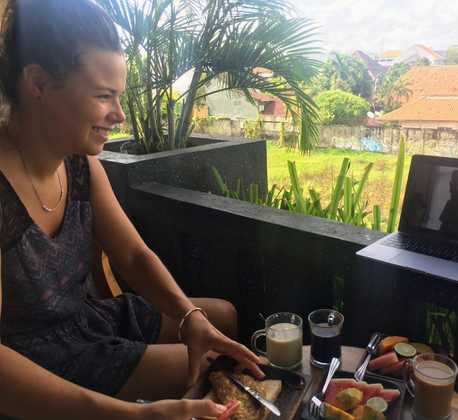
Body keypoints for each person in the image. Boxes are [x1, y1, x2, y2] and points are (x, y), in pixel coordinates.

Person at [0, 1, 262, 418]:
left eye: (118, 96)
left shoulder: (80, 166)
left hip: (83, 322)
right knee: (220, 371)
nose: (118, 115)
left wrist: (189, 316)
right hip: (29, 362)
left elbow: (134, 256)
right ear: (38, 82)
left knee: (219, 318)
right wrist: (135, 414)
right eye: (104, 96)